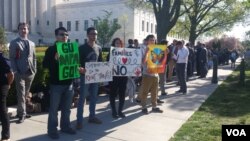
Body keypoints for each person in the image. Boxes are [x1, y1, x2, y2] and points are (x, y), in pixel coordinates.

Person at [43, 27, 76, 139]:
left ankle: (65, 126)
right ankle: (52, 130)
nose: (65, 36)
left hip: (69, 84)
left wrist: (79, 69)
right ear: (56, 36)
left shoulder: (71, 48)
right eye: (62, 34)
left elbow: (75, 65)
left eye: (66, 34)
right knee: (54, 109)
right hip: (56, 84)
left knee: (67, 109)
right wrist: (54, 59)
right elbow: (45, 65)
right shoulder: (51, 50)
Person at [9, 22, 36, 123]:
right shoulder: (14, 43)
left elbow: (34, 58)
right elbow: (12, 58)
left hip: (30, 72)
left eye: (25, 28)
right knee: (21, 94)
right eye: (21, 29)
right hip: (19, 72)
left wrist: (35, 70)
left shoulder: (32, 43)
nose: (23, 30)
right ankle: (22, 114)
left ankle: (22, 111)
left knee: (25, 94)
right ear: (18, 30)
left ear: (28, 30)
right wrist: (15, 70)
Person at [76, 27, 103, 129]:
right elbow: (77, 62)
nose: (94, 36)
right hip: (84, 77)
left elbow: (100, 63)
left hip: (95, 77)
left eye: (95, 34)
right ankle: (79, 120)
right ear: (87, 35)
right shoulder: (81, 48)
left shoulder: (99, 48)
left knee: (94, 97)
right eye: (92, 34)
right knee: (82, 98)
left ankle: (92, 116)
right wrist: (80, 69)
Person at [139, 34, 163, 114]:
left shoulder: (157, 49)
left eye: (154, 40)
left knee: (155, 92)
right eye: (151, 40)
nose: (153, 41)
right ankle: (144, 107)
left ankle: (154, 106)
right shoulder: (143, 49)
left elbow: (159, 61)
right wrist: (146, 52)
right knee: (145, 92)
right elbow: (142, 62)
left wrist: (165, 53)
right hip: (147, 74)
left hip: (156, 74)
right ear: (147, 41)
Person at [107, 38, 128, 118]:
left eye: (119, 43)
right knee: (112, 94)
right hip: (113, 77)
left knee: (122, 94)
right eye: (116, 43)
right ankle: (114, 111)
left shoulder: (125, 53)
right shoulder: (110, 53)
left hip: (123, 77)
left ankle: (120, 111)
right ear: (114, 44)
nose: (118, 44)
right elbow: (108, 64)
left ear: (121, 44)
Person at [0, 49, 14, 141]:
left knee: (2, 110)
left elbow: (11, 74)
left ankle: (5, 136)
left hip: (2, 86)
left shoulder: (2, 59)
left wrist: (8, 85)